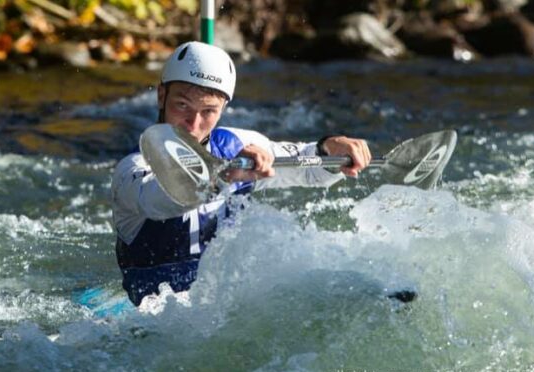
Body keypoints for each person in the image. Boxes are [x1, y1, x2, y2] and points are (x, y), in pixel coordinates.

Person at [111, 41, 371, 306]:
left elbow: (309, 171)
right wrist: (223, 177)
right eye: (182, 105)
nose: (194, 124)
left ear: (223, 108)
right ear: (161, 96)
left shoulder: (237, 145)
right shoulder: (133, 168)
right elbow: (159, 200)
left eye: (209, 111)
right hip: (155, 318)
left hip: (225, 305)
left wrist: (330, 148)